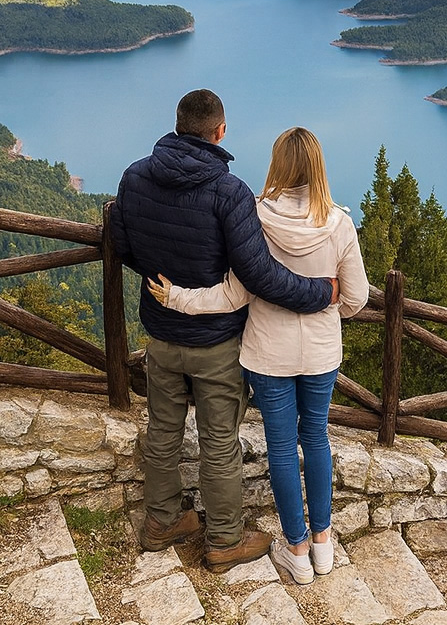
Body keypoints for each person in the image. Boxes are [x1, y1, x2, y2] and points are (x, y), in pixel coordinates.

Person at [108, 90, 338, 573]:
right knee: (219, 442)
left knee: (163, 431)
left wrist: (166, 281)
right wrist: (321, 294)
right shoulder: (227, 191)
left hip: (161, 333)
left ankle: (162, 521)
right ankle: (225, 540)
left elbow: (124, 248)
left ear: (177, 124)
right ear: (220, 131)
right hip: (215, 344)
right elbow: (258, 276)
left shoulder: (133, 177)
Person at [148, 126, 369, 585]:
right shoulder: (339, 223)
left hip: (268, 353)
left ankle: (297, 550)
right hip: (321, 353)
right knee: (317, 440)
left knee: (283, 449)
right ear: (318, 167)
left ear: (277, 166)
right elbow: (357, 298)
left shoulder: (256, 219)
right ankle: (324, 544)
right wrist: (329, 305)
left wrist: (176, 299)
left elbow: (232, 295)